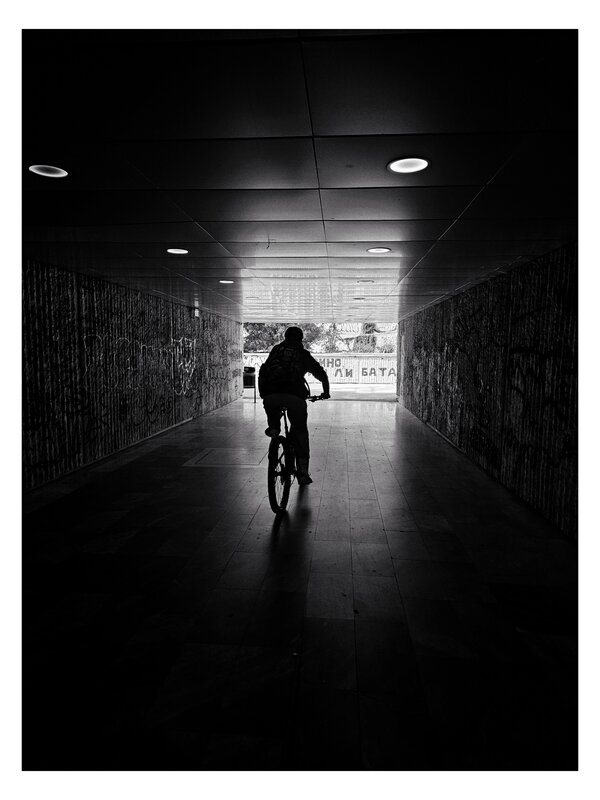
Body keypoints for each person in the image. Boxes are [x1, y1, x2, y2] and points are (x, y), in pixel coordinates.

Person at [258, 326, 330, 485]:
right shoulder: (303, 354)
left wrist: (264, 394)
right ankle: (303, 472)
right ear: (301, 339)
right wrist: (326, 392)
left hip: (270, 396)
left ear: (285, 337)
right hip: (295, 398)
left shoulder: (276, 350)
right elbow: (321, 374)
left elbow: (263, 370)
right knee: (300, 431)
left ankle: (274, 429)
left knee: (272, 411)